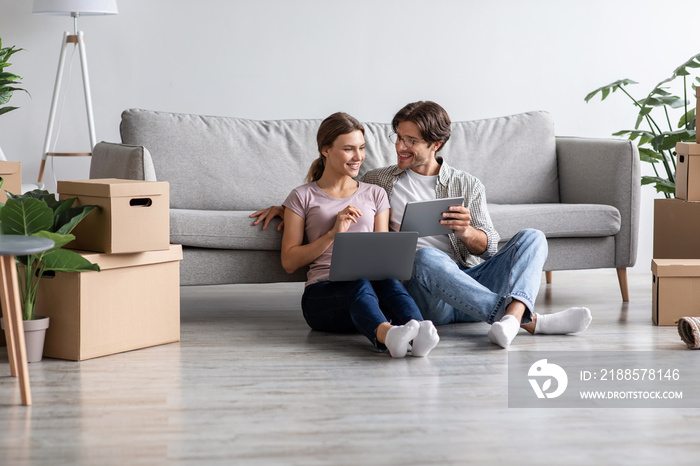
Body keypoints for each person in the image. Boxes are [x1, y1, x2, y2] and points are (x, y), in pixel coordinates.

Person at [253, 102, 592, 349]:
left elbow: (489, 246)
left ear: (435, 144)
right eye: (398, 137)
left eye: (410, 141)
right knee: (424, 256)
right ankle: (527, 319)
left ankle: (511, 318)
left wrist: (467, 231)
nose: (400, 147)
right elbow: (329, 194)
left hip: (466, 279)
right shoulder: (380, 180)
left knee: (533, 238)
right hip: (425, 291)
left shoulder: (466, 185)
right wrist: (285, 208)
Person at [280, 112, 439, 358]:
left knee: (387, 282)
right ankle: (388, 335)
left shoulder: (375, 194)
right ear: (326, 150)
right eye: (348, 149)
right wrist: (333, 234)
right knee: (358, 283)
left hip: (371, 294)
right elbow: (289, 262)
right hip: (322, 297)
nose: (358, 157)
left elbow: (383, 250)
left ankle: (418, 331)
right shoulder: (302, 196)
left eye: (362, 148)